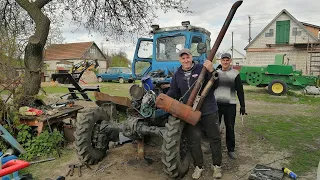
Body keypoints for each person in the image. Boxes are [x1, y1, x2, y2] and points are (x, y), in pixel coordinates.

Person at [166, 48, 222, 179]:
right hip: (191, 112)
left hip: (208, 110)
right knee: (194, 140)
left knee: (214, 138)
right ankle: (199, 166)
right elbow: (173, 92)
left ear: (191, 57)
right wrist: (164, 98)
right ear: (180, 60)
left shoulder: (201, 69)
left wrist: (211, 70)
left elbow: (215, 84)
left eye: (187, 57)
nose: (186, 60)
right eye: (183, 58)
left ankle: (217, 166)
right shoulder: (177, 75)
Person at [214, 52, 246, 160]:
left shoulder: (235, 73)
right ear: (220, 61)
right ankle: (214, 147)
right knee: (214, 128)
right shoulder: (216, 73)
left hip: (230, 105)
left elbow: (240, 91)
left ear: (230, 61)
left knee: (230, 128)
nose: (225, 62)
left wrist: (243, 106)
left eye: (227, 60)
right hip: (216, 105)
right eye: (223, 60)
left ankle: (231, 149)